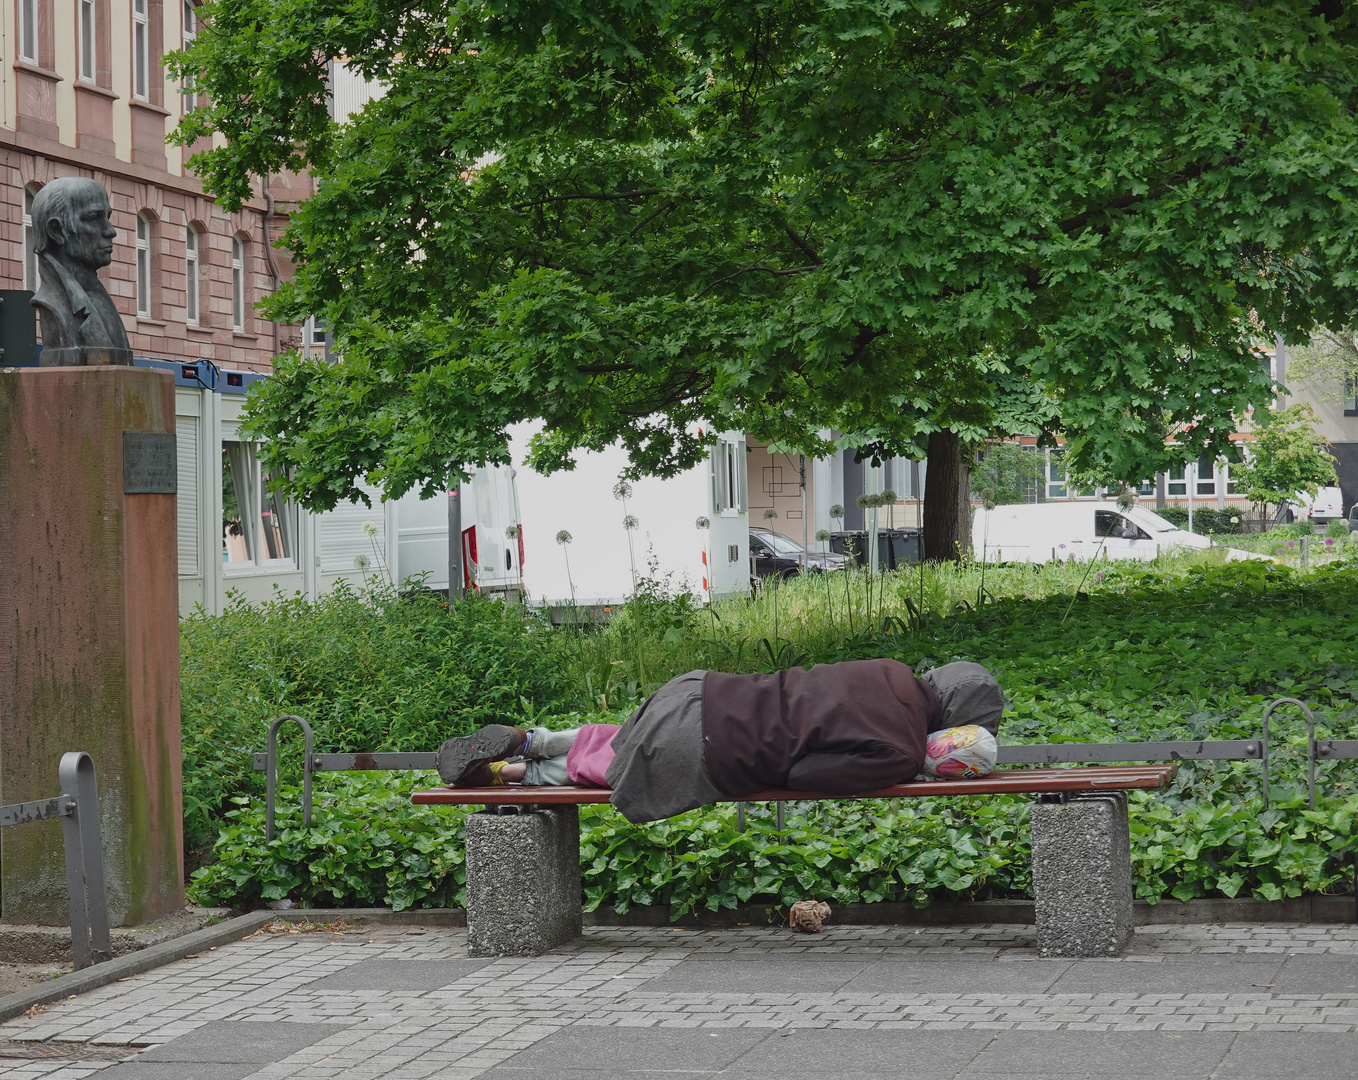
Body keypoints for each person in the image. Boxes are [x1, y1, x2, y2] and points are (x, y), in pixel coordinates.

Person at [435, 659, 1003, 823]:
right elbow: (806, 778)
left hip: (698, 690)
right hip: (711, 748)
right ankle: (517, 774)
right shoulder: (899, 750)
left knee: (627, 738)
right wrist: (906, 770)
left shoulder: (891, 668)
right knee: (623, 769)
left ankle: (528, 740)